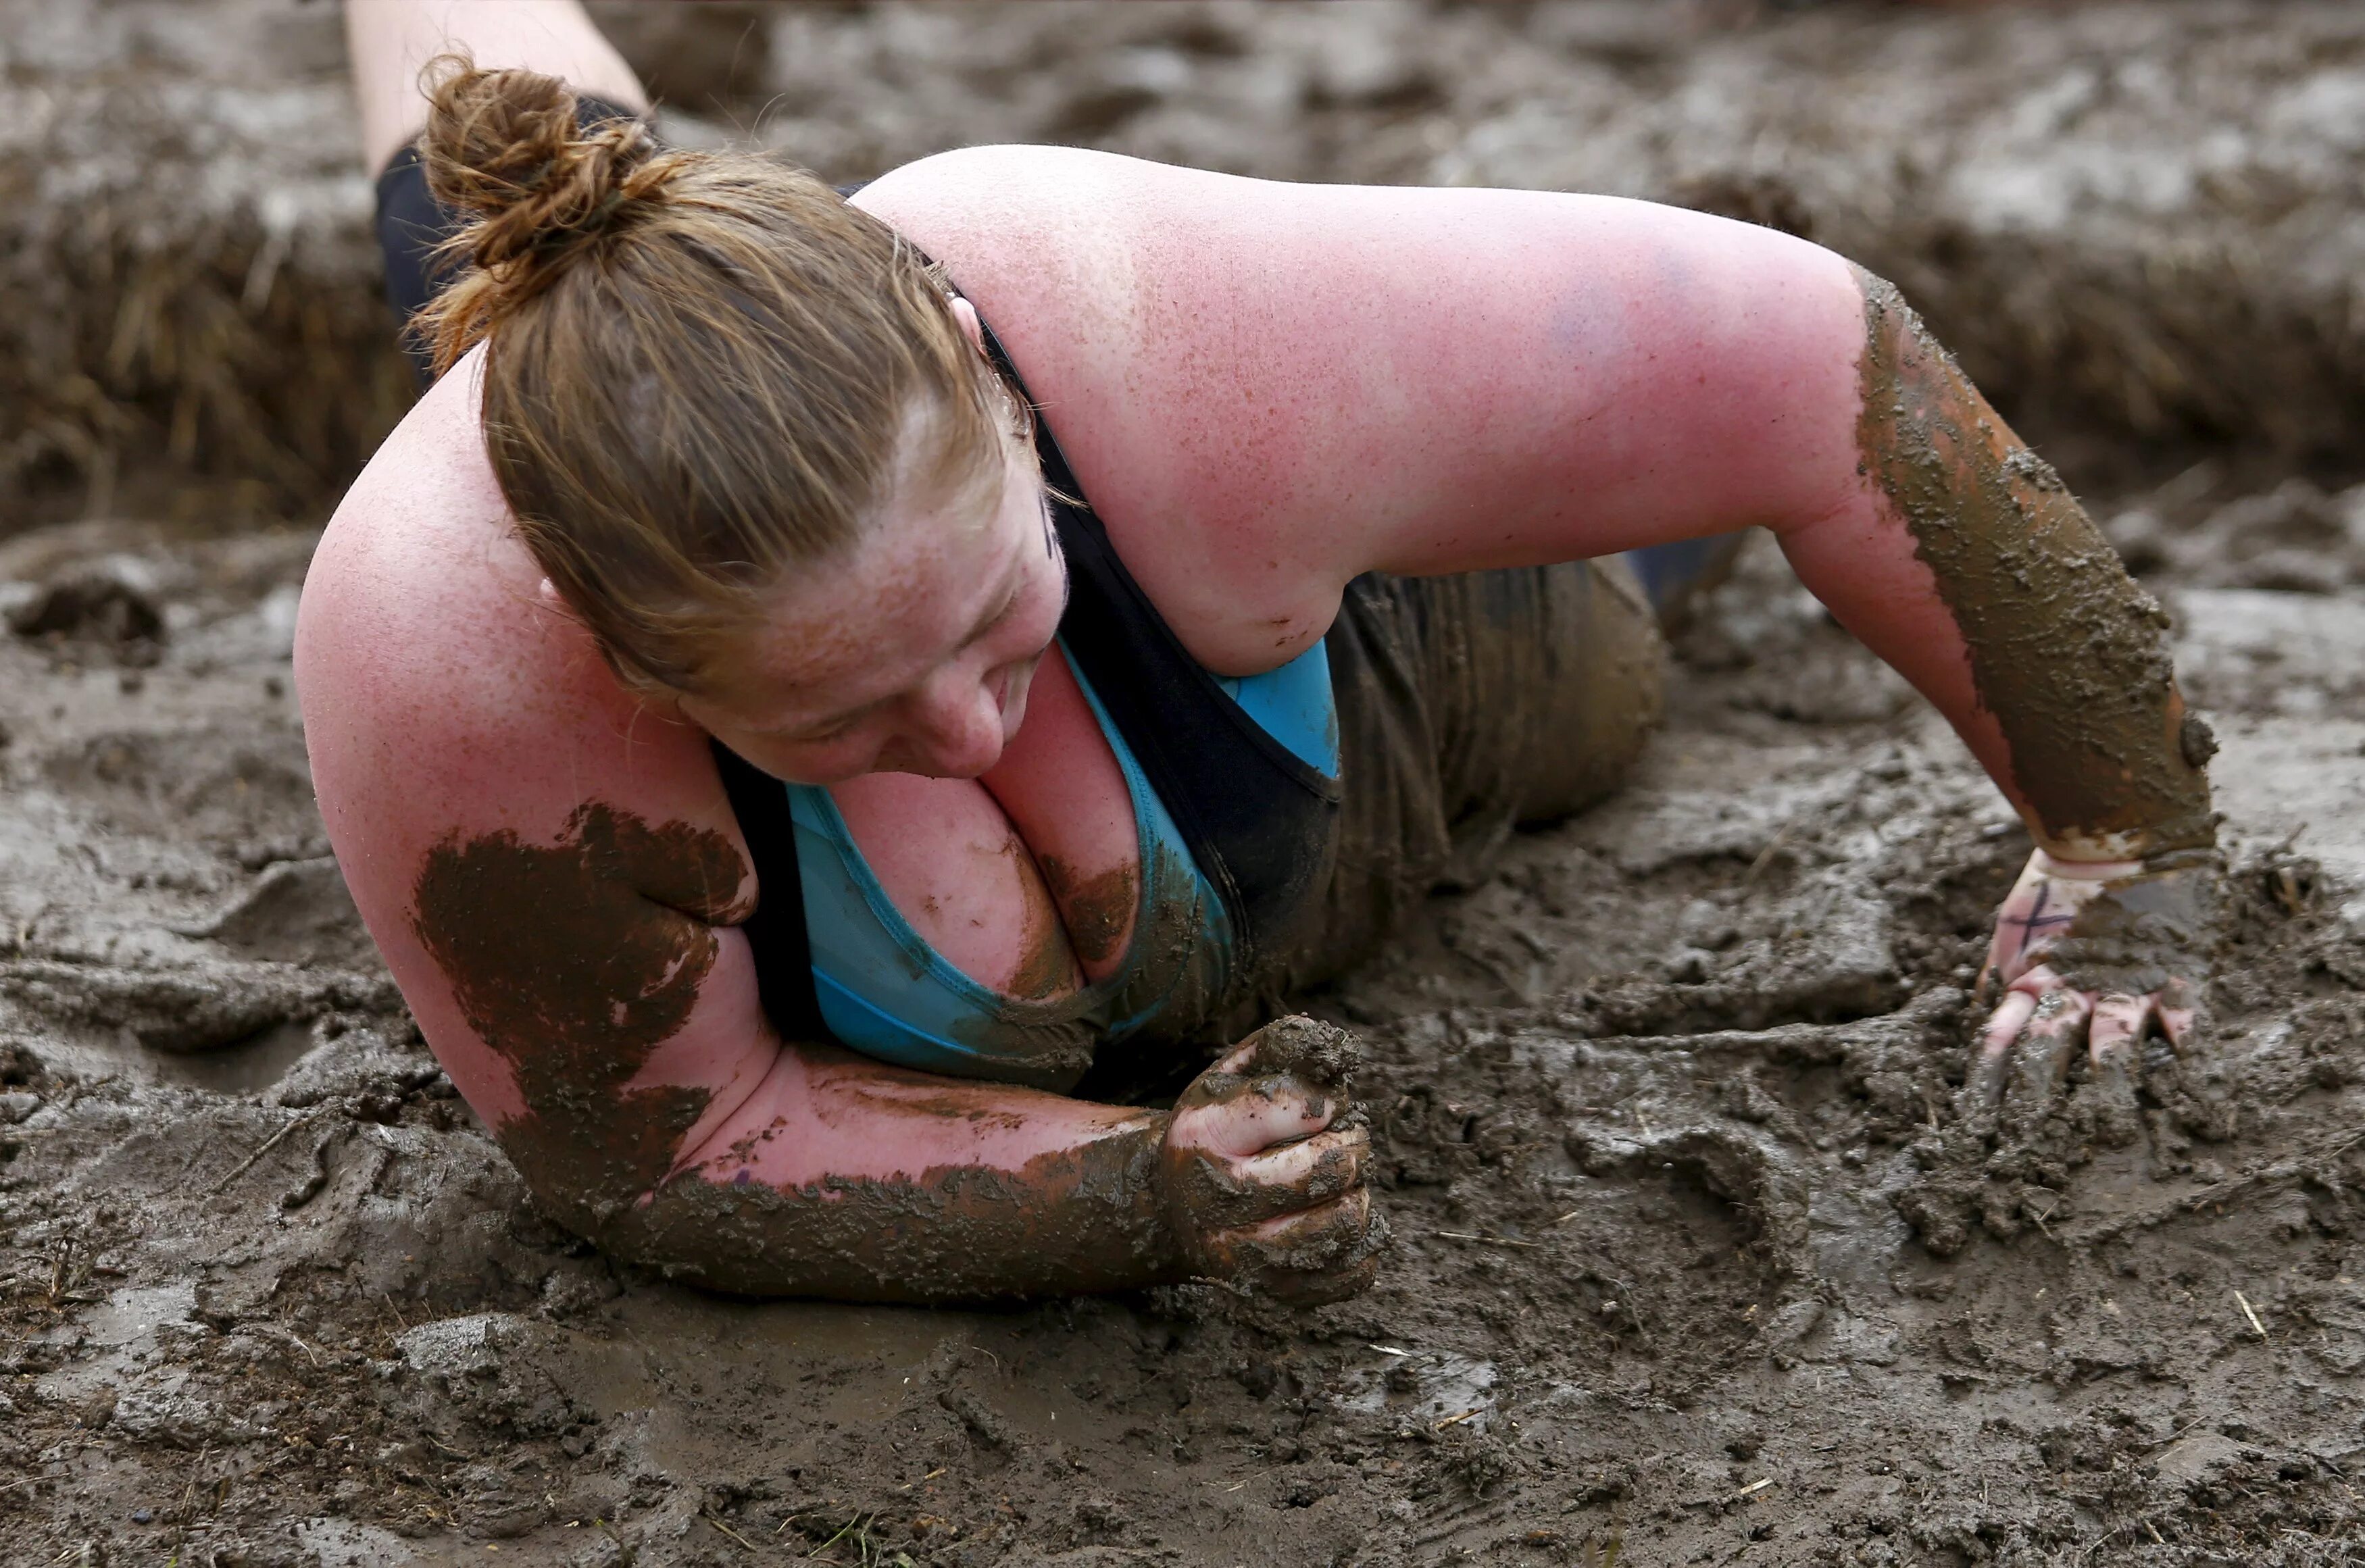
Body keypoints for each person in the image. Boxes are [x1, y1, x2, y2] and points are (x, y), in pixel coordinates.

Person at [296, 1, 2221, 1305]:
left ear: (987, 385)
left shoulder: (1149, 331)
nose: (963, 727)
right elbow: (665, 1153)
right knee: (541, 296)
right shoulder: (452, 666)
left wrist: (2122, 853)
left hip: (1400, 661)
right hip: (706, 570)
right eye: (840, 707)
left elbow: (1831, 367)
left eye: (982, 622)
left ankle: (1595, 455)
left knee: (1616, 659)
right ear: (613, 655)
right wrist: (1127, 1197)